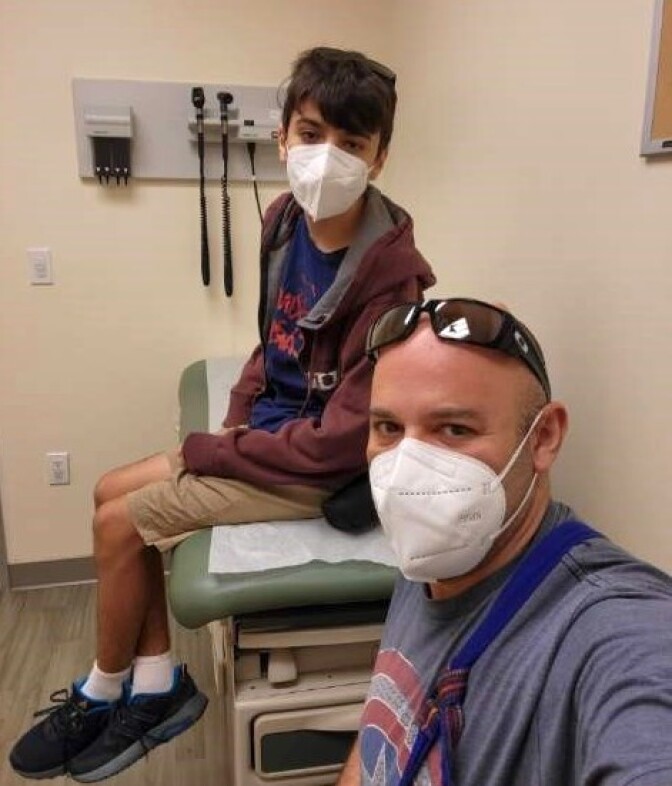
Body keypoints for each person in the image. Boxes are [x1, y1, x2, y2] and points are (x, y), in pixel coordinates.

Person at [9, 47, 435, 782]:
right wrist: (235, 418)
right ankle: (154, 684)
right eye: (311, 134)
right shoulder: (283, 222)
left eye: (351, 144)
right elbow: (269, 343)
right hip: (269, 433)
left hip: (317, 466)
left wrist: (213, 453)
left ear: (380, 156)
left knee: (118, 523)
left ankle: (101, 690)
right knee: (108, 488)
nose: (325, 158)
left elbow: (341, 442)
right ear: (282, 138)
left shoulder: (391, 276)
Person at [338, 298, 672, 786]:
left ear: (543, 439)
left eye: (453, 429)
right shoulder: (432, 562)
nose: (405, 471)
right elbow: (385, 737)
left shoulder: (609, 631)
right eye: (388, 428)